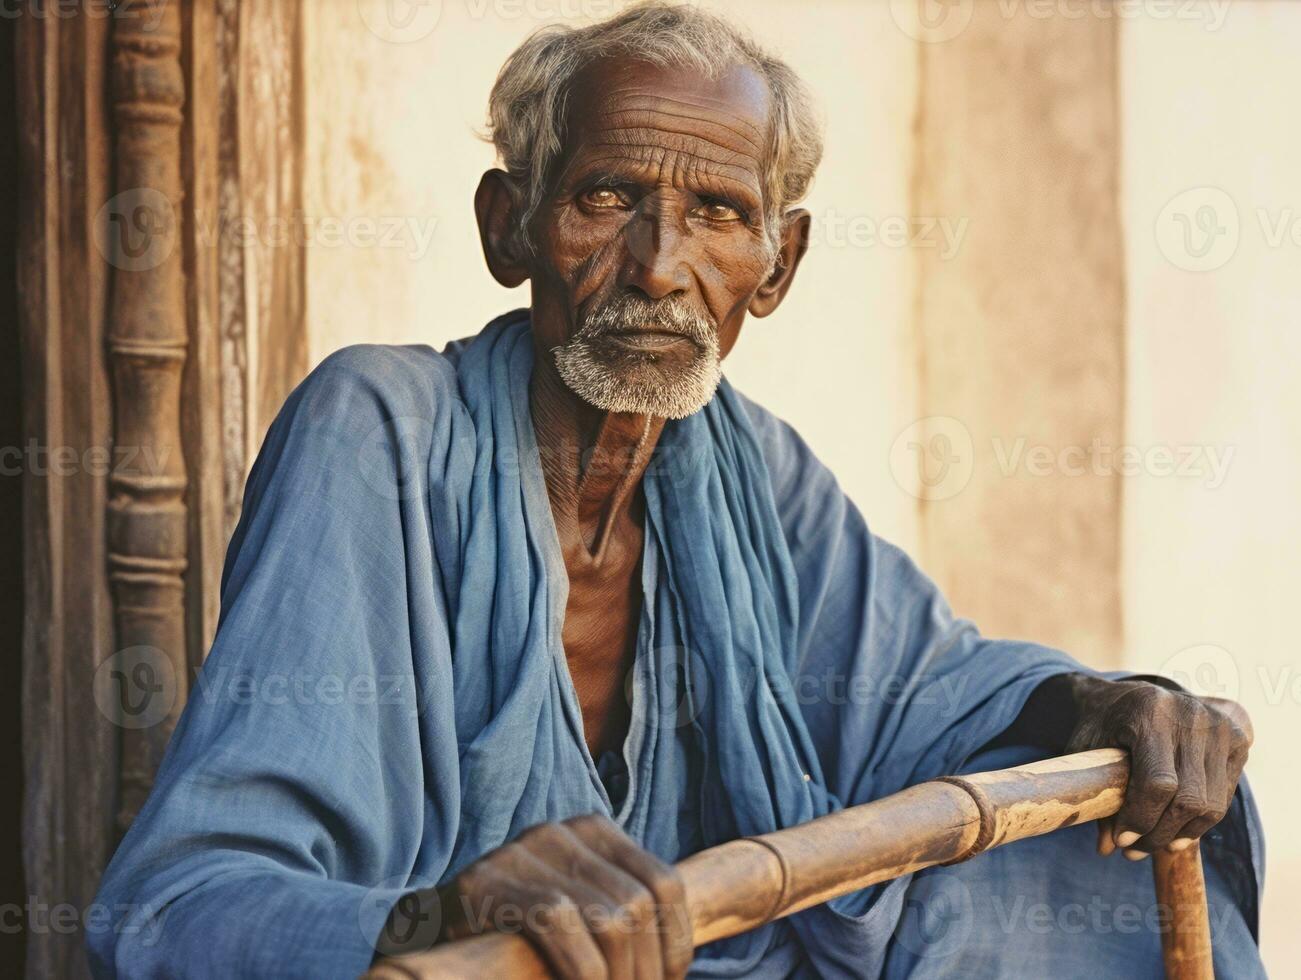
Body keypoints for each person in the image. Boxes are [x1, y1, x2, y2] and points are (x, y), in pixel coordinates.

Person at [89, 4, 1264, 977]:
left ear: (776, 265)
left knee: (1070, 875)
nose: (658, 266)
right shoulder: (380, 434)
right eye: (605, 198)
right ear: (512, 226)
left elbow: (942, 695)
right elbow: (181, 904)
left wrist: (1114, 704)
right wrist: (439, 909)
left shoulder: (756, 477)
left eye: (717, 214)